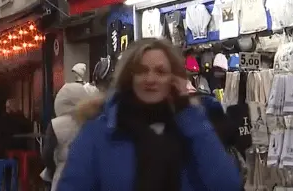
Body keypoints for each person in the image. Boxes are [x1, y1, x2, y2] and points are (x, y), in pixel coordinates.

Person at [58, 38, 242, 191]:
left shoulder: (194, 126)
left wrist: (189, 116)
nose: (150, 79)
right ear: (130, 77)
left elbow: (227, 185)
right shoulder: (99, 133)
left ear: (174, 78)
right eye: (142, 71)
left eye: (160, 72)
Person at [39, 83, 90, 190]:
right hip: (87, 174)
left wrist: (51, 170)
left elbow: (47, 154)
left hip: (62, 174)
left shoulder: (55, 124)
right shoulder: (92, 123)